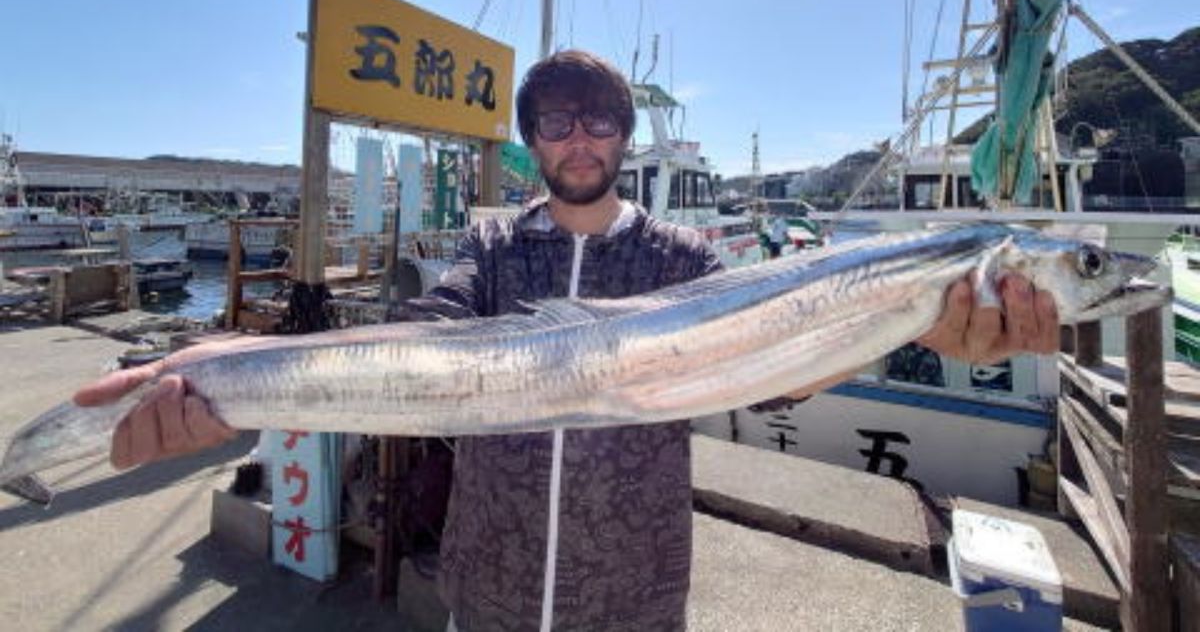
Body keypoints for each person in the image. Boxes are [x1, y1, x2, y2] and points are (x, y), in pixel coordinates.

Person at [74, 49, 1059, 632]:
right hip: (491, 581)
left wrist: (908, 326)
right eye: (555, 124)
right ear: (533, 141)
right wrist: (236, 375)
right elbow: (431, 340)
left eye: (597, 122)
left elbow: (773, 383)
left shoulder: (681, 256)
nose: (577, 141)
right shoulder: (493, 243)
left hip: (634, 588)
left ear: (622, 136)